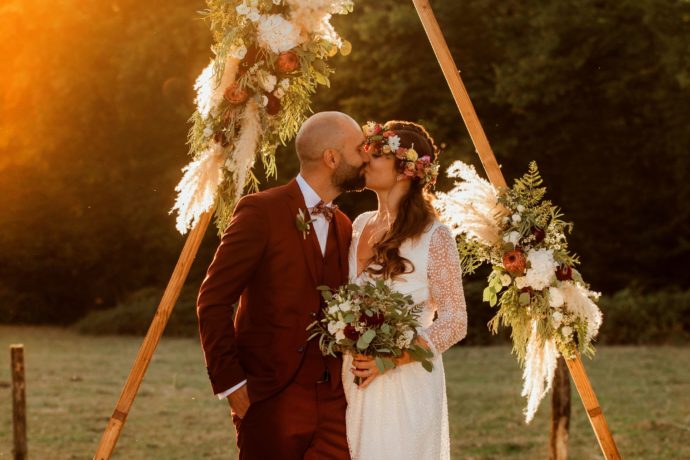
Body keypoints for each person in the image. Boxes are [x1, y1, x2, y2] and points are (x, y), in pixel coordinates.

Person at [196, 111, 367, 459]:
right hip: (270, 398)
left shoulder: (345, 225)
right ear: (331, 158)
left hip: (335, 405)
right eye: (358, 149)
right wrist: (232, 384)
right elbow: (212, 301)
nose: (366, 157)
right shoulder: (261, 211)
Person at [343, 120, 468, 460]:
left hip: (404, 384)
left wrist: (391, 358)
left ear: (405, 170)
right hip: (353, 378)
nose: (365, 158)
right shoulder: (359, 224)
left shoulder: (434, 237)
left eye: (377, 153)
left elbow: (455, 321)